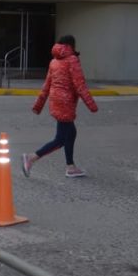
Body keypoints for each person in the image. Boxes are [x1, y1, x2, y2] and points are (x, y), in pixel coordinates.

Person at [22, 35, 98, 178]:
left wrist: (38, 105)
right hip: (66, 103)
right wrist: (92, 105)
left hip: (56, 101)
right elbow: (80, 85)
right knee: (60, 140)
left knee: (71, 133)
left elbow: (46, 86)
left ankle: (70, 166)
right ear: (71, 46)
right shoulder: (72, 60)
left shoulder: (54, 62)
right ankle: (31, 158)